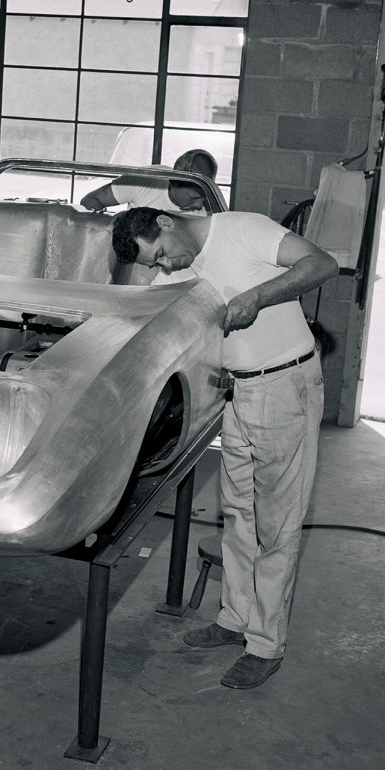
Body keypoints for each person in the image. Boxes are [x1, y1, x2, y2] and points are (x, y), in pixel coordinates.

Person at [110, 205, 338, 688]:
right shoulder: (175, 269)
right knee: (239, 514)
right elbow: (149, 322)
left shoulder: (242, 230)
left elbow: (321, 264)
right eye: (156, 264)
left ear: (168, 224)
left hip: (284, 386)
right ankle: (235, 619)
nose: (164, 267)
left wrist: (258, 295)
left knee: (277, 523)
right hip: (233, 391)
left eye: (163, 255)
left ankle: (266, 644)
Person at [81, 149, 219, 214]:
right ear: (173, 182)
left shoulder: (211, 207)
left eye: (204, 197)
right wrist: (112, 232)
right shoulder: (143, 181)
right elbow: (90, 200)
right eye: (193, 197)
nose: (200, 204)